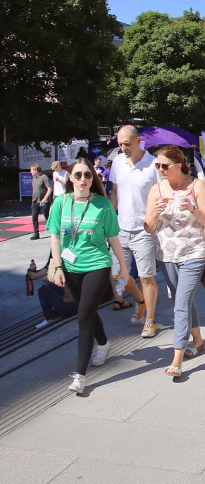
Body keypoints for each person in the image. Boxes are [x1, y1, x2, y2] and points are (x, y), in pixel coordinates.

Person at [47, 158, 129, 394]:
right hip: (71, 268)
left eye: (88, 175)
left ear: (94, 179)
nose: (83, 179)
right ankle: (103, 343)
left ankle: (80, 376)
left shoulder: (102, 205)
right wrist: (59, 266)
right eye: (79, 175)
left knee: (83, 316)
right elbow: (55, 237)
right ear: (70, 177)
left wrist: (121, 268)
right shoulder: (60, 204)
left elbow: (113, 239)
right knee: (88, 311)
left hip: (97, 265)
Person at [144, 145, 205, 378]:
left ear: (179, 165)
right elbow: (148, 226)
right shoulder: (156, 189)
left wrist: (194, 210)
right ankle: (198, 339)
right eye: (158, 165)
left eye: (165, 165)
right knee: (181, 298)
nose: (161, 169)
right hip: (166, 255)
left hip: (193, 253)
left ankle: (177, 357)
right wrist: (154, 213)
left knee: (181, 304)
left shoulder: (196, 186)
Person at [109, 125, 159, 336]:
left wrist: (154, 220)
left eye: (127, 144)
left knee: (146, 277)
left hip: (143, 230)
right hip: (120, 228)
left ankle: (149, 320)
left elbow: (161, 195)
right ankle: (141, 302)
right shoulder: (118, 162)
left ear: (139, 141)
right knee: (116, 276)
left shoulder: (154, 165)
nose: (123, 148)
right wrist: (108, 220)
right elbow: (114, 192)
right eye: (120, 144)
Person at [28, 254, 78, 329]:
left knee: (43, 289)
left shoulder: (59, 257)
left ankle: (49, 318)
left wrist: (31, 269)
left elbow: (34, 276)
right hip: (85, 302)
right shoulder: (75, 255)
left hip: (71, 308)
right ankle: (54, 312)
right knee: (52, 286)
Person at [30, 163, 52, 240]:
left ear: (36, 170)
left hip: (43, 201)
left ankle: (54, 230)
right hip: (35, 201)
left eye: (32, 170)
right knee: (34, 217)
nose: (31, 172)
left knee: (46, 216)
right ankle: (36, 233)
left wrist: (45, 198)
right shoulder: (34, 178)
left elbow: (49, 188)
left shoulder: (44, 177)